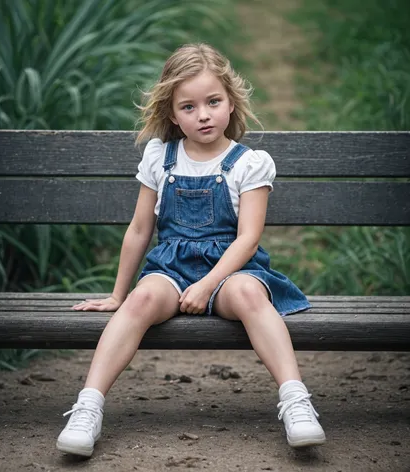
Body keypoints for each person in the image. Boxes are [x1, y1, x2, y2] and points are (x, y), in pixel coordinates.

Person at [56, 43, 326, 457]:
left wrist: (207, 285)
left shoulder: (247, 163)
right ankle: (88, 406)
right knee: (142, 298)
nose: (203, 114)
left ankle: (296, 401)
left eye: (213, 102)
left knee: (251, 294)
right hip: (172, 267)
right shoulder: (160, 157)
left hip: (232, 270)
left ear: (231, 104)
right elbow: (141, 228)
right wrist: (117, 293)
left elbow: (248, 238)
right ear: (171, 114)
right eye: (188, 107)